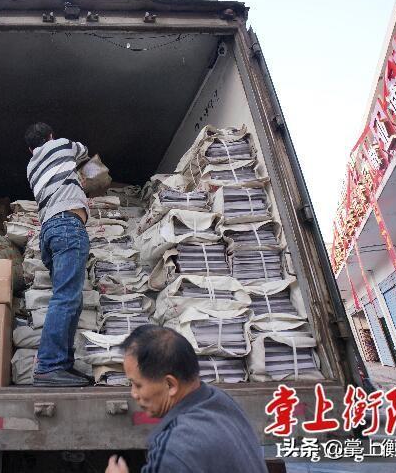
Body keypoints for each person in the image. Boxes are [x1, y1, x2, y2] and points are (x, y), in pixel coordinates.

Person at [106, 325, 268, 473]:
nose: (133, 394)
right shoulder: (221, 400)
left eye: (137, 385)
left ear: (170, 385)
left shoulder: (175, 449)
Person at [25, 122, 91, 387]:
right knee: (66, 297)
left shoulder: (31, 166)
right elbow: (84, 151)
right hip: (67, 226)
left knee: (71, 299)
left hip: (49, 232)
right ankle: (49, 366)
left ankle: (63, 365)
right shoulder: (61, 145)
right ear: (50, 136)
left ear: (30, 149)